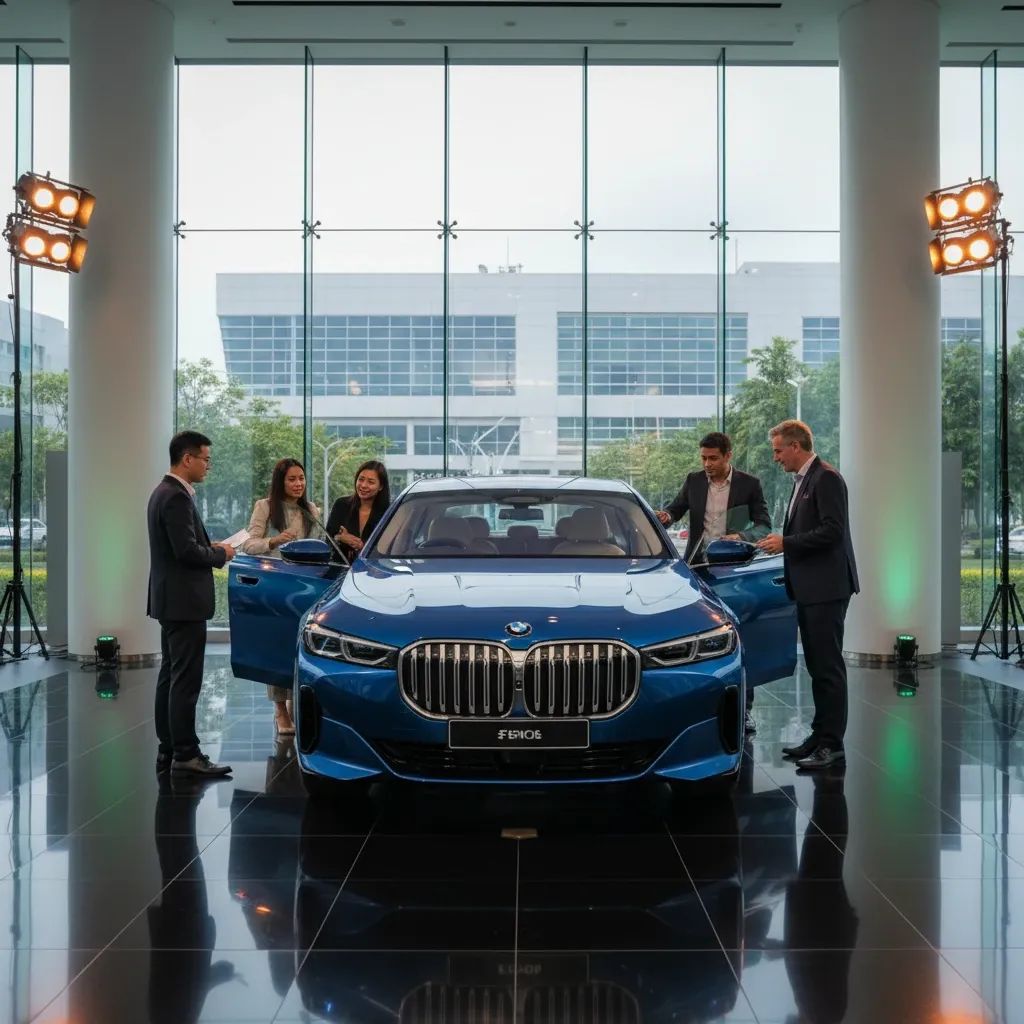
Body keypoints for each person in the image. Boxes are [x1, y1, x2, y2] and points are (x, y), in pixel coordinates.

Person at [755, 419, 859, 771]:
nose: (776, 458)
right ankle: (819, 736)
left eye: (778, 450)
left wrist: (786, 543)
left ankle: (832, 746)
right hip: (811, 588)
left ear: (796, 446)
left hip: (827, 589)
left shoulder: (826, 477)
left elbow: (833, 531)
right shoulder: (804, 480)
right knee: (817, 667)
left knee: (828, 669)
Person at [656, 431, 771, 733]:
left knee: (740, 637)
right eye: (704, 458)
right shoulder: (694, 480)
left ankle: (743, 710)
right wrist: (666, 515)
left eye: (713, 458)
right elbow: (677, 508)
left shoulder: (749, 484)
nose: (707, 464)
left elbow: (763, 526)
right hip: (698, 568)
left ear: (727, 456)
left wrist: (743, 537)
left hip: (734, 569)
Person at [147, 430, 235, 777]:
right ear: (188, 459)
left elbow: (179, 544)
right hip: (184, 603)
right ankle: (186, 753)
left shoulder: (162, 493)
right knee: (184, 681)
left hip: (171, 600)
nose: (208, 466)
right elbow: (186, 551)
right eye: (205, 459)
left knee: (170, 676)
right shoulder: (176, 498)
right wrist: (221, 553)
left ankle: (169, 747)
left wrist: (208, 545)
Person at [241, 457, 320, 735]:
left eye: (301, 478)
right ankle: (280, 710)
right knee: (278, 647)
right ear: (281, 482)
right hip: (276, 586)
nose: (298, 484)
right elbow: (249, 545)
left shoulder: (311, 510)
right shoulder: (265, 507)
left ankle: (299, 703)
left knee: (301, 647)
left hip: (306, 587)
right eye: (292, 479)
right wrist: (274, 541)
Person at [325, 460, 391, 563]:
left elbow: (392, 548)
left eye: (371, 482)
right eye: (361, 479)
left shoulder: (389, 512)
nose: (363, 485)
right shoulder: (341, 505)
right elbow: (328, 539)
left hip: (374, 572)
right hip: (341, 570)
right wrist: (341, 538)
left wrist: (362, 546)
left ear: (381, 486)